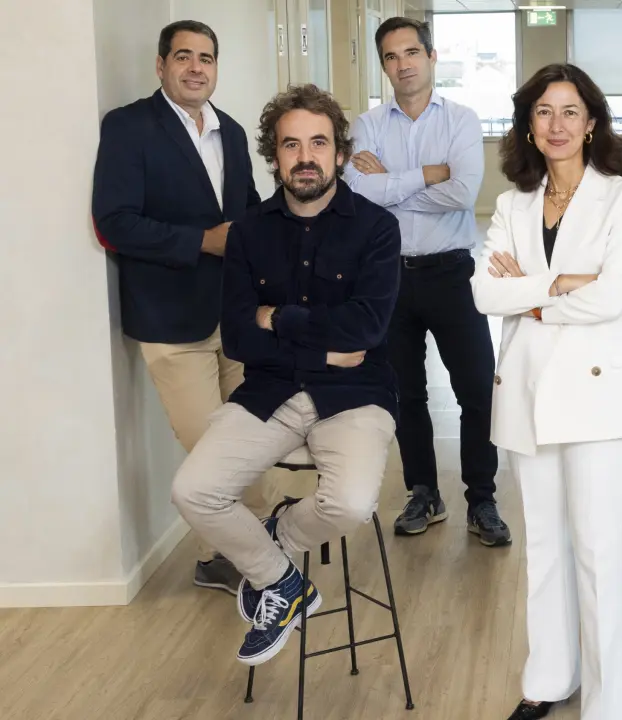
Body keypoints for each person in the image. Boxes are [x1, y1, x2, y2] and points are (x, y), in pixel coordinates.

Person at [171, 84, 401, 667]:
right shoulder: (247, 232)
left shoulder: (377, 228)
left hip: (355, 395)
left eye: (318, 143)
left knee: (351, 503)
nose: (305, 157)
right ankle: (281, 581)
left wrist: (278, 318)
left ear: (339, 153)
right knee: (193, 490)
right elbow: (238, 337)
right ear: (274, 156)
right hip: (270, 391)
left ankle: (279, 535)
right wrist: (322, 353)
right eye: (291, 145)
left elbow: (367, 329)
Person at [471, 64, 622, 720]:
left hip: (601, 395)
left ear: (592, 123)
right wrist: (560, 284)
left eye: (570, 111)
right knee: (545, 547)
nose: (557, 124)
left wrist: (529, 295)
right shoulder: (512, 204)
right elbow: (484, 292)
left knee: (600, 553)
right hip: (528, 390)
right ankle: (549, 678)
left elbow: (613, 297)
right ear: (529, 124)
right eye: (544, 111)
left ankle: (610, 707)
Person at [92, 20, 271, 595]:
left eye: (206, 58)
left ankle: (235, 554)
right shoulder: (129, 127)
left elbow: (248, 210)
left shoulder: (232, 132)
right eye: (184, 57)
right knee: (212, 446)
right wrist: (200, 242)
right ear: (161, 65)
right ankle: (249, 559)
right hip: (172, 319)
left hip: (236, 314)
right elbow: (114, 222)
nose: (196, 68)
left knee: (250, 434)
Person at [345, 16, 510, 546]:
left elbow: (462, 193)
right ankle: (423, 492)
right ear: (383, 65)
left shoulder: (461, 120)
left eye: (412, 52)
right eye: (391, 57)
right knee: (405, 394)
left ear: (432, 57)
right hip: (387, 278)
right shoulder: (367, 125)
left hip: (450, 272)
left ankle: (482, 499)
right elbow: (357, 194)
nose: (403, 64)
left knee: (477, 390)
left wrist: (390, 184)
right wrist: (426, 174)